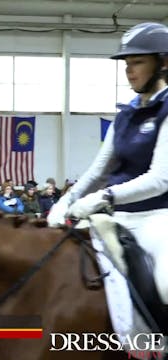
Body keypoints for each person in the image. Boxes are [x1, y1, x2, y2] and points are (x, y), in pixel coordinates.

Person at [48, 22, 168, 306]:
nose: (129, 70)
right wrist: (66, 201)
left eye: (138, 62)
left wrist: (103, 197)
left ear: (164, 63)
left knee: (165, 286)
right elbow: (99, 170)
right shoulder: (125, 114)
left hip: (158, 218)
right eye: (127, 63)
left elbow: (160, 178)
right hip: (115, 217)